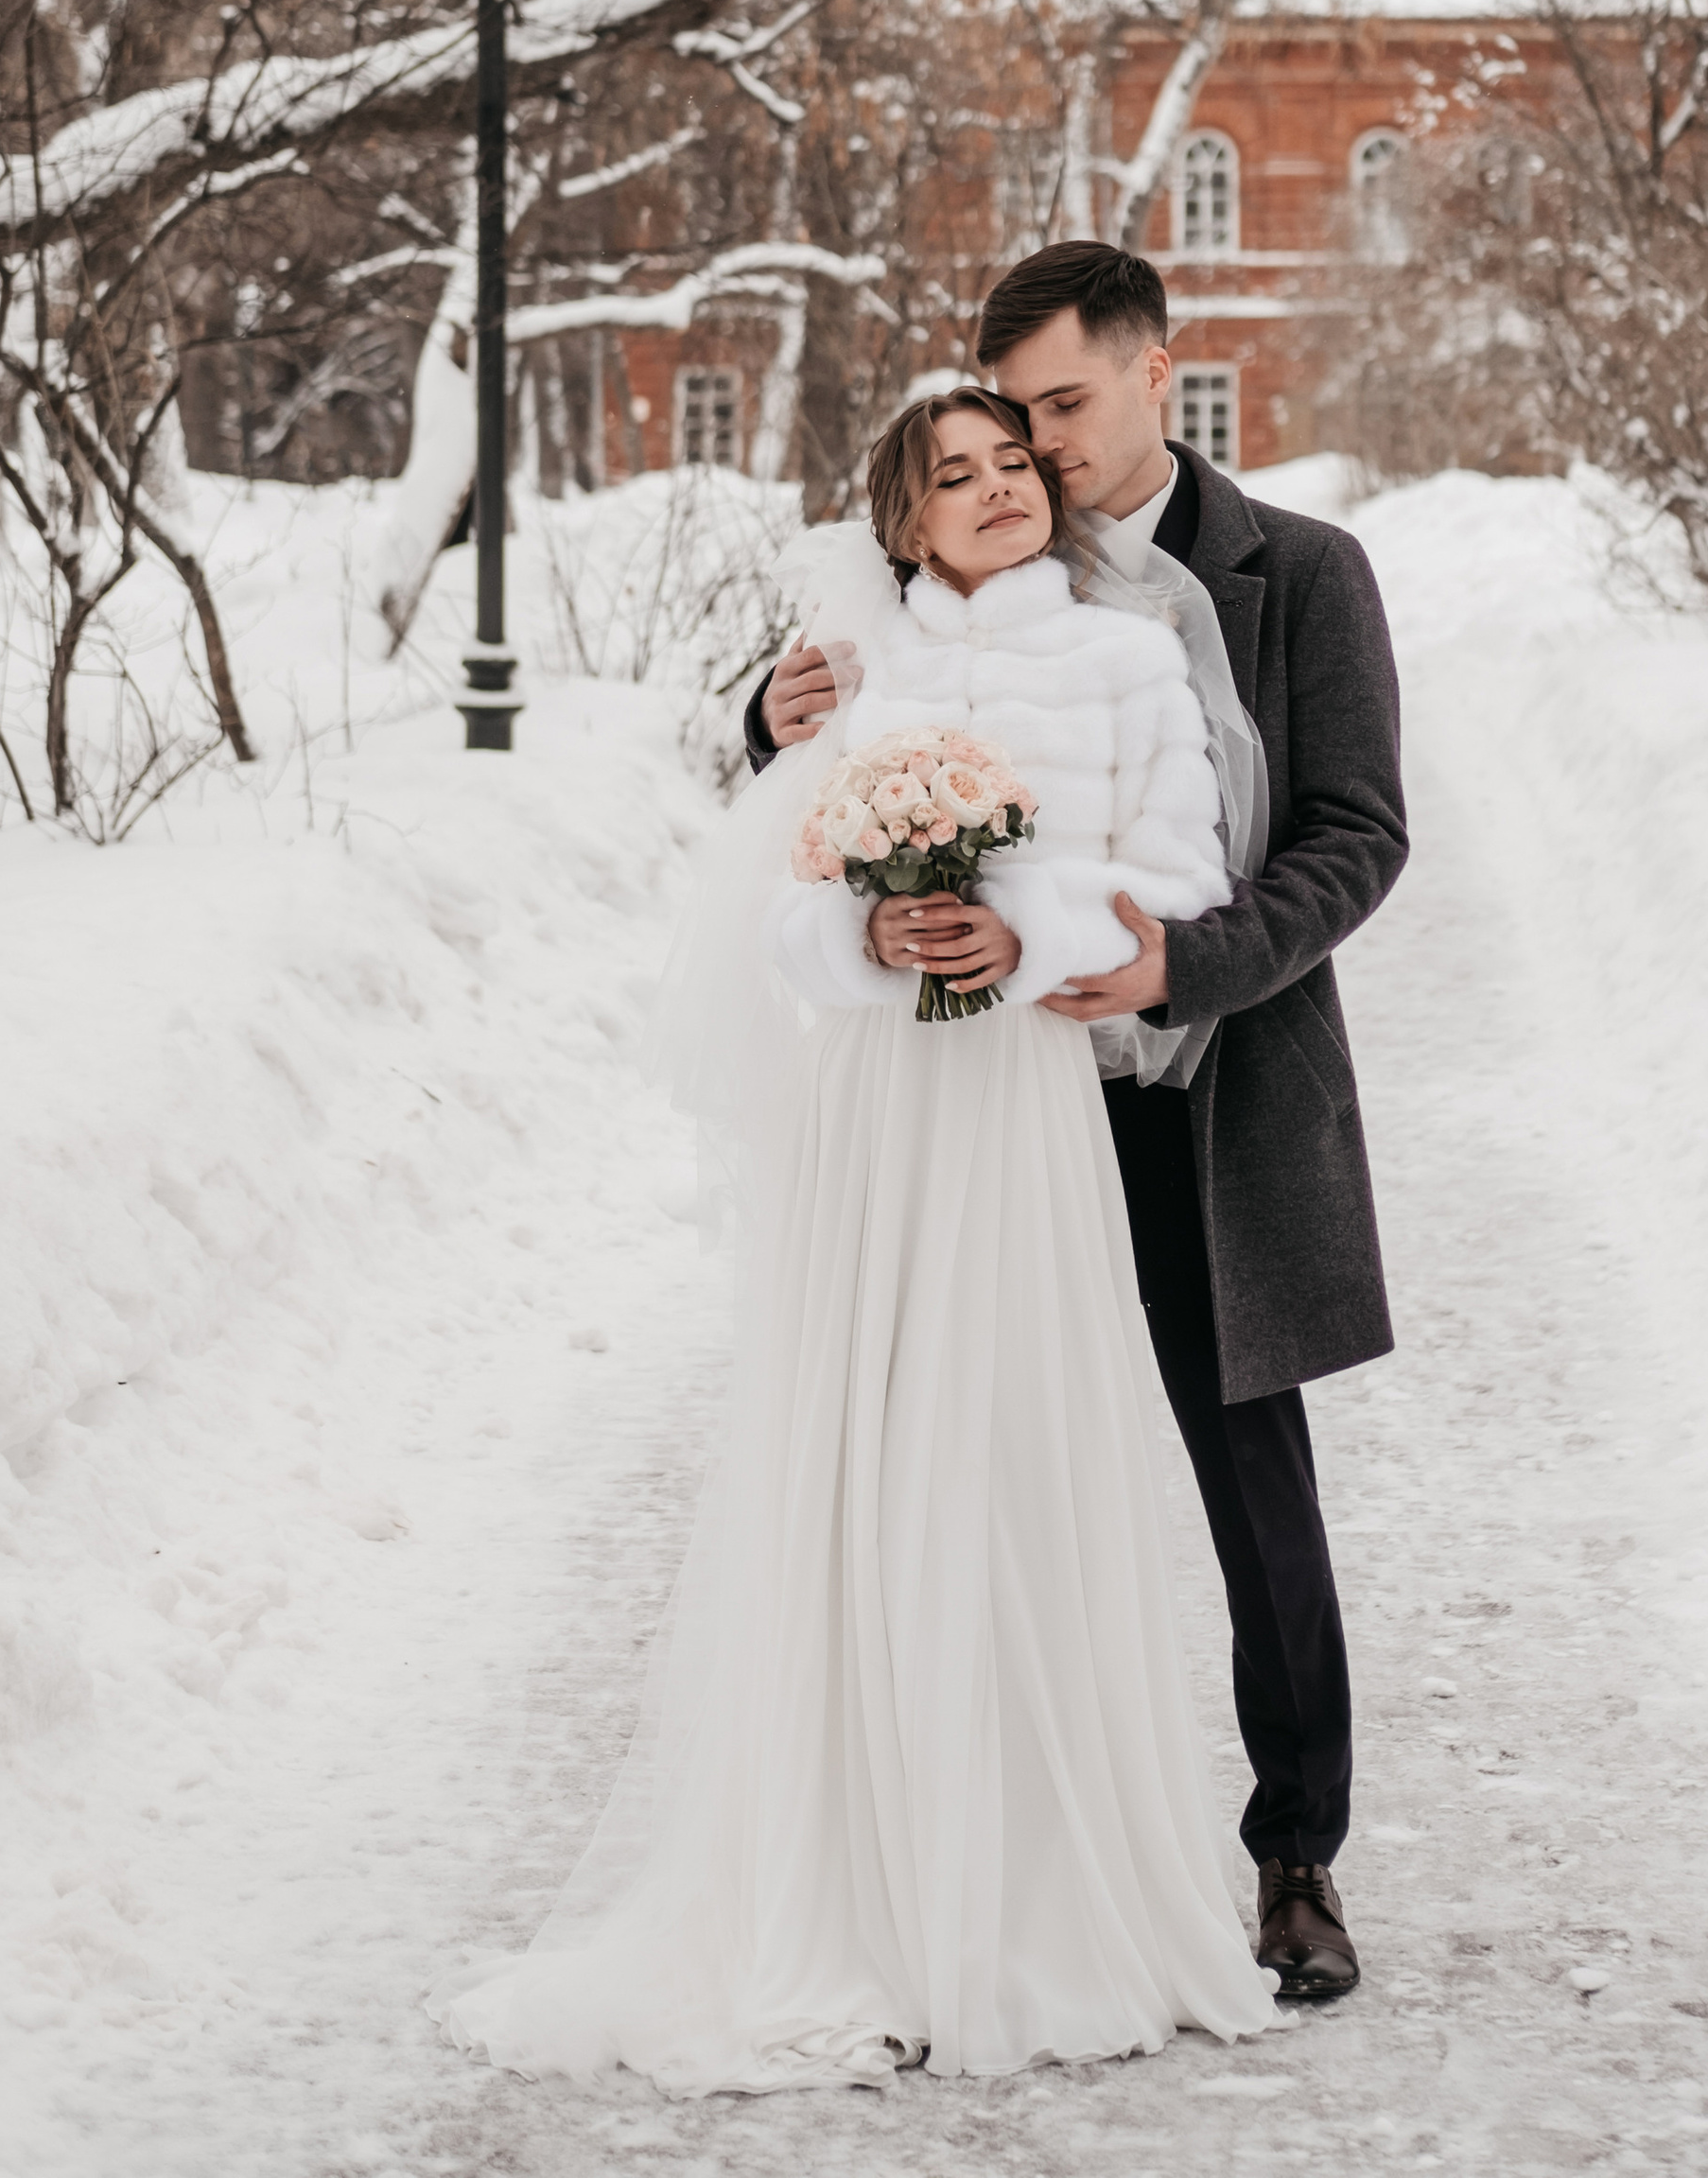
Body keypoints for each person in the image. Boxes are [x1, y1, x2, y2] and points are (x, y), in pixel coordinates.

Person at [439, 391, 1279, 2094]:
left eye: (1013, 469)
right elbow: (781, 919)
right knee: (866, 1464)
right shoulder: (849, 677)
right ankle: (861, 1901)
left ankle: (1030, 1901)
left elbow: (1178, 888)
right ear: (901, 523)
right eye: (951, 479)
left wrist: (1017, 926)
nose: (994, 494)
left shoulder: (1128, 668)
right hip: (878, 1121)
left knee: (1014, 1462)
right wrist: (875, 928)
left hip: (1030, 1117)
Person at [750, 244, 1406, 2000]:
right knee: (964, 1466)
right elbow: (810, 784)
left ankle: (1296, 1859)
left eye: (1062, 408)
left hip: (1209, 1089)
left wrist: (1183, 965)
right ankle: (972, 1859)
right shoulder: (939, 563)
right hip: (978, 1105)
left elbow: (1357, 834)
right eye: (1010, 417)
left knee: (1247, 1472)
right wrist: (769, 712)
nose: (1033, 452)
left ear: (1151, 373)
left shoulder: (1302, 575)